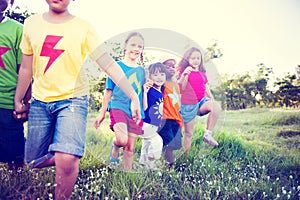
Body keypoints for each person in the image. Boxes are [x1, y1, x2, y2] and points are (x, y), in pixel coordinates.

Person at [14, 1, 141, 199]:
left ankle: (68, 157)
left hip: (73, 100)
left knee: (67, 157)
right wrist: (19, 98)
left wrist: (133, 95)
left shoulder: (84, 28)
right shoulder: (31, 24)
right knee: (33, 161)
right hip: (40, 101)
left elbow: (107, 64)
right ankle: (67, 153)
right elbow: (25, 68)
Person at [94, 32, 145, 171]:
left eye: (140, 46)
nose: (136, 49)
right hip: (118, 107)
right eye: (133, 45)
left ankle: (126, 174)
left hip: (135, 112)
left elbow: (142, 93)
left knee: (130, 147)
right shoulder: (116, 67)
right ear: (125, 46)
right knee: (122, 140)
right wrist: (102, 113)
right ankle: (115, 146)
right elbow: (108, 91)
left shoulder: (142, 71)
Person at [0, 0, 30, 170]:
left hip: (9, 102)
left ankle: (18, 185)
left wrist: (26, 103)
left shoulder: (19, 30)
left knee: (15, 152)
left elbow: (25, 70)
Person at [177, 47, 221, 154]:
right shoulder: (184, 71)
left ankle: (208, 135)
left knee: (216, 106)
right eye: (193, 58)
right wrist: (184, 75)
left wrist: (211, 100)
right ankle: (186, 155)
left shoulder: (202, 72)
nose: (196, 60)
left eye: (198, 58)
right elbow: (181, 89)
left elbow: (205, 87)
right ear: (188, 59)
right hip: (188, 105)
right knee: (189, 133)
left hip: (201, 102)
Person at [139, 62, 166, 170]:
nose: (159, 77)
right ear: (149, 77)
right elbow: (145, 108)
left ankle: (142, 162)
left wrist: (158, 122)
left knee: (146, 143)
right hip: (146, 123)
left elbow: (157, 109)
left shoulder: (160, 91)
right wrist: (145, 93)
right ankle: (150, 165)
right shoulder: (149, 90)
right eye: (155, 75)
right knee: (157, 142)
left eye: (162, 74)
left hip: (153, 124)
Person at [157, 59, 183, 168]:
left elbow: (177, 103)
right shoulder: (161, 84)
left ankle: (163, 158)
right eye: (168, 66)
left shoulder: (175, 85)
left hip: (175, 118)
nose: (172, 68)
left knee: (176, 144)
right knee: (169, 144)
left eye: (173, 66)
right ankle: (170, 166)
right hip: (165, 118)